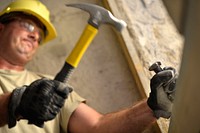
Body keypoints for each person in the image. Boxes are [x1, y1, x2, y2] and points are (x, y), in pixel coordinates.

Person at [0, 0, 178, 133]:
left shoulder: (48, 86)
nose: (35, 37)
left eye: (40, 36)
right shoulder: (40, 89)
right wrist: (17, 101)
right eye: (28, 26)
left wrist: (153, 106)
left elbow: (97, 128)